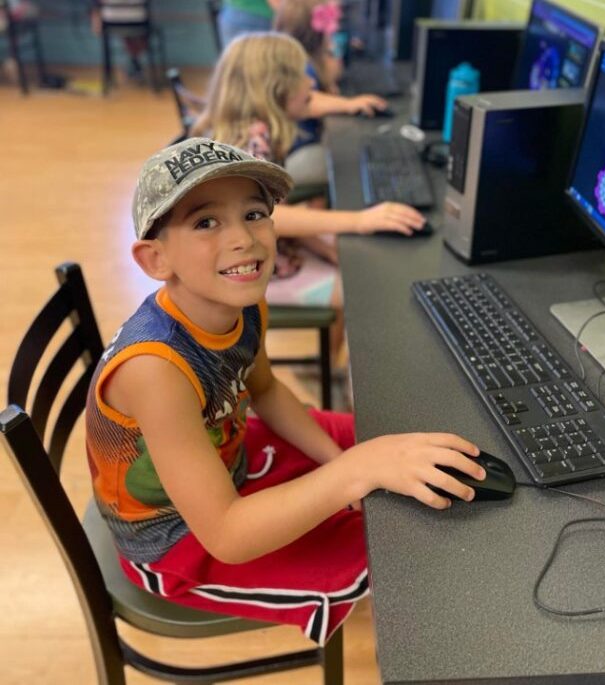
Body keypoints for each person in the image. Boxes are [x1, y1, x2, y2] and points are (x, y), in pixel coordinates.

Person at [84, 137, 486, 644]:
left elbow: (268, 392)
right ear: (155, 259)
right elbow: (227, 534)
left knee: (394, 441)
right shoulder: (155, 371)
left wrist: (338, 458)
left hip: (232, 457)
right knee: (400, 540)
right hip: (179, 544)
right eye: (206, 222)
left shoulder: (242, 300)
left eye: (254, 214)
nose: (243, 240)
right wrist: (352, 472)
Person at [189, 32, 425, 319]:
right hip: (256, 271)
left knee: (358, 260)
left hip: (267, 251)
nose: (311, 82)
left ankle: (341, 360)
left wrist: (324, 246)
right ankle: (345, 361)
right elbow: (275, 219)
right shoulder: (252, 142)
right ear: (276, 89)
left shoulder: (253, 128)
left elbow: (267, 216)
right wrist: (360, 221)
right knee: (370, 292)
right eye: (302, 76)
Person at [274, 0, 389, 187]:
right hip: (294, 150)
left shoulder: (302, 60)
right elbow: (310, 101)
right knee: (343, 163)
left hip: (296, 145)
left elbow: (329, 80)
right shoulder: (302, 67)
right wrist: (349, 104)